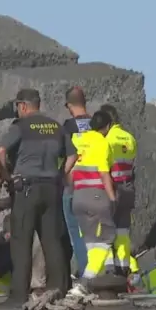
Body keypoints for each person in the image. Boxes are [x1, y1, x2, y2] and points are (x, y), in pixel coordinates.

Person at [0, 89, 71, 307]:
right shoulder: (56, 126)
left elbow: (0, 151)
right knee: (51, 240)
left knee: (21, 241)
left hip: (26, 187)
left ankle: (18, 295)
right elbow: (73, 154)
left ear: (23, 106)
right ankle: (58, 289)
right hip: (51, 187)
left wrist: (7, 177)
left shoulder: (21, 126)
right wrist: (60, 174)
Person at [67, 110, 117, 293]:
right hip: (97, 196)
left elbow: (70, 170)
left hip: (78, 196)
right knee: (106, 239)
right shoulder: (103, 143)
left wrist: (71, 192)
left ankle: (97, 283)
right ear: (108, 127)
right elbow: (104, 172)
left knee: (90, 243)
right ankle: (85, 282)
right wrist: (112, 199)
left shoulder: (78, 140)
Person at [100, 104, 138, 274]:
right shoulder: (130, 138)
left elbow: (103, 168)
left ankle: (108, 269)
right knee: (123, 232)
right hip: (128, 188)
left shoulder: (106, 140)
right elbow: (133, 166)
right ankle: (123, 267)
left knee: (105, 230)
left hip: (112, 188)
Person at [60, 86, 91, 276]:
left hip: (74, 184)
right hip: (96, 183)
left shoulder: (68, 126)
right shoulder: (98, 124)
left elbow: (66, 154)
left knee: (76, 233)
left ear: (68, 105)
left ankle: (85, 272)